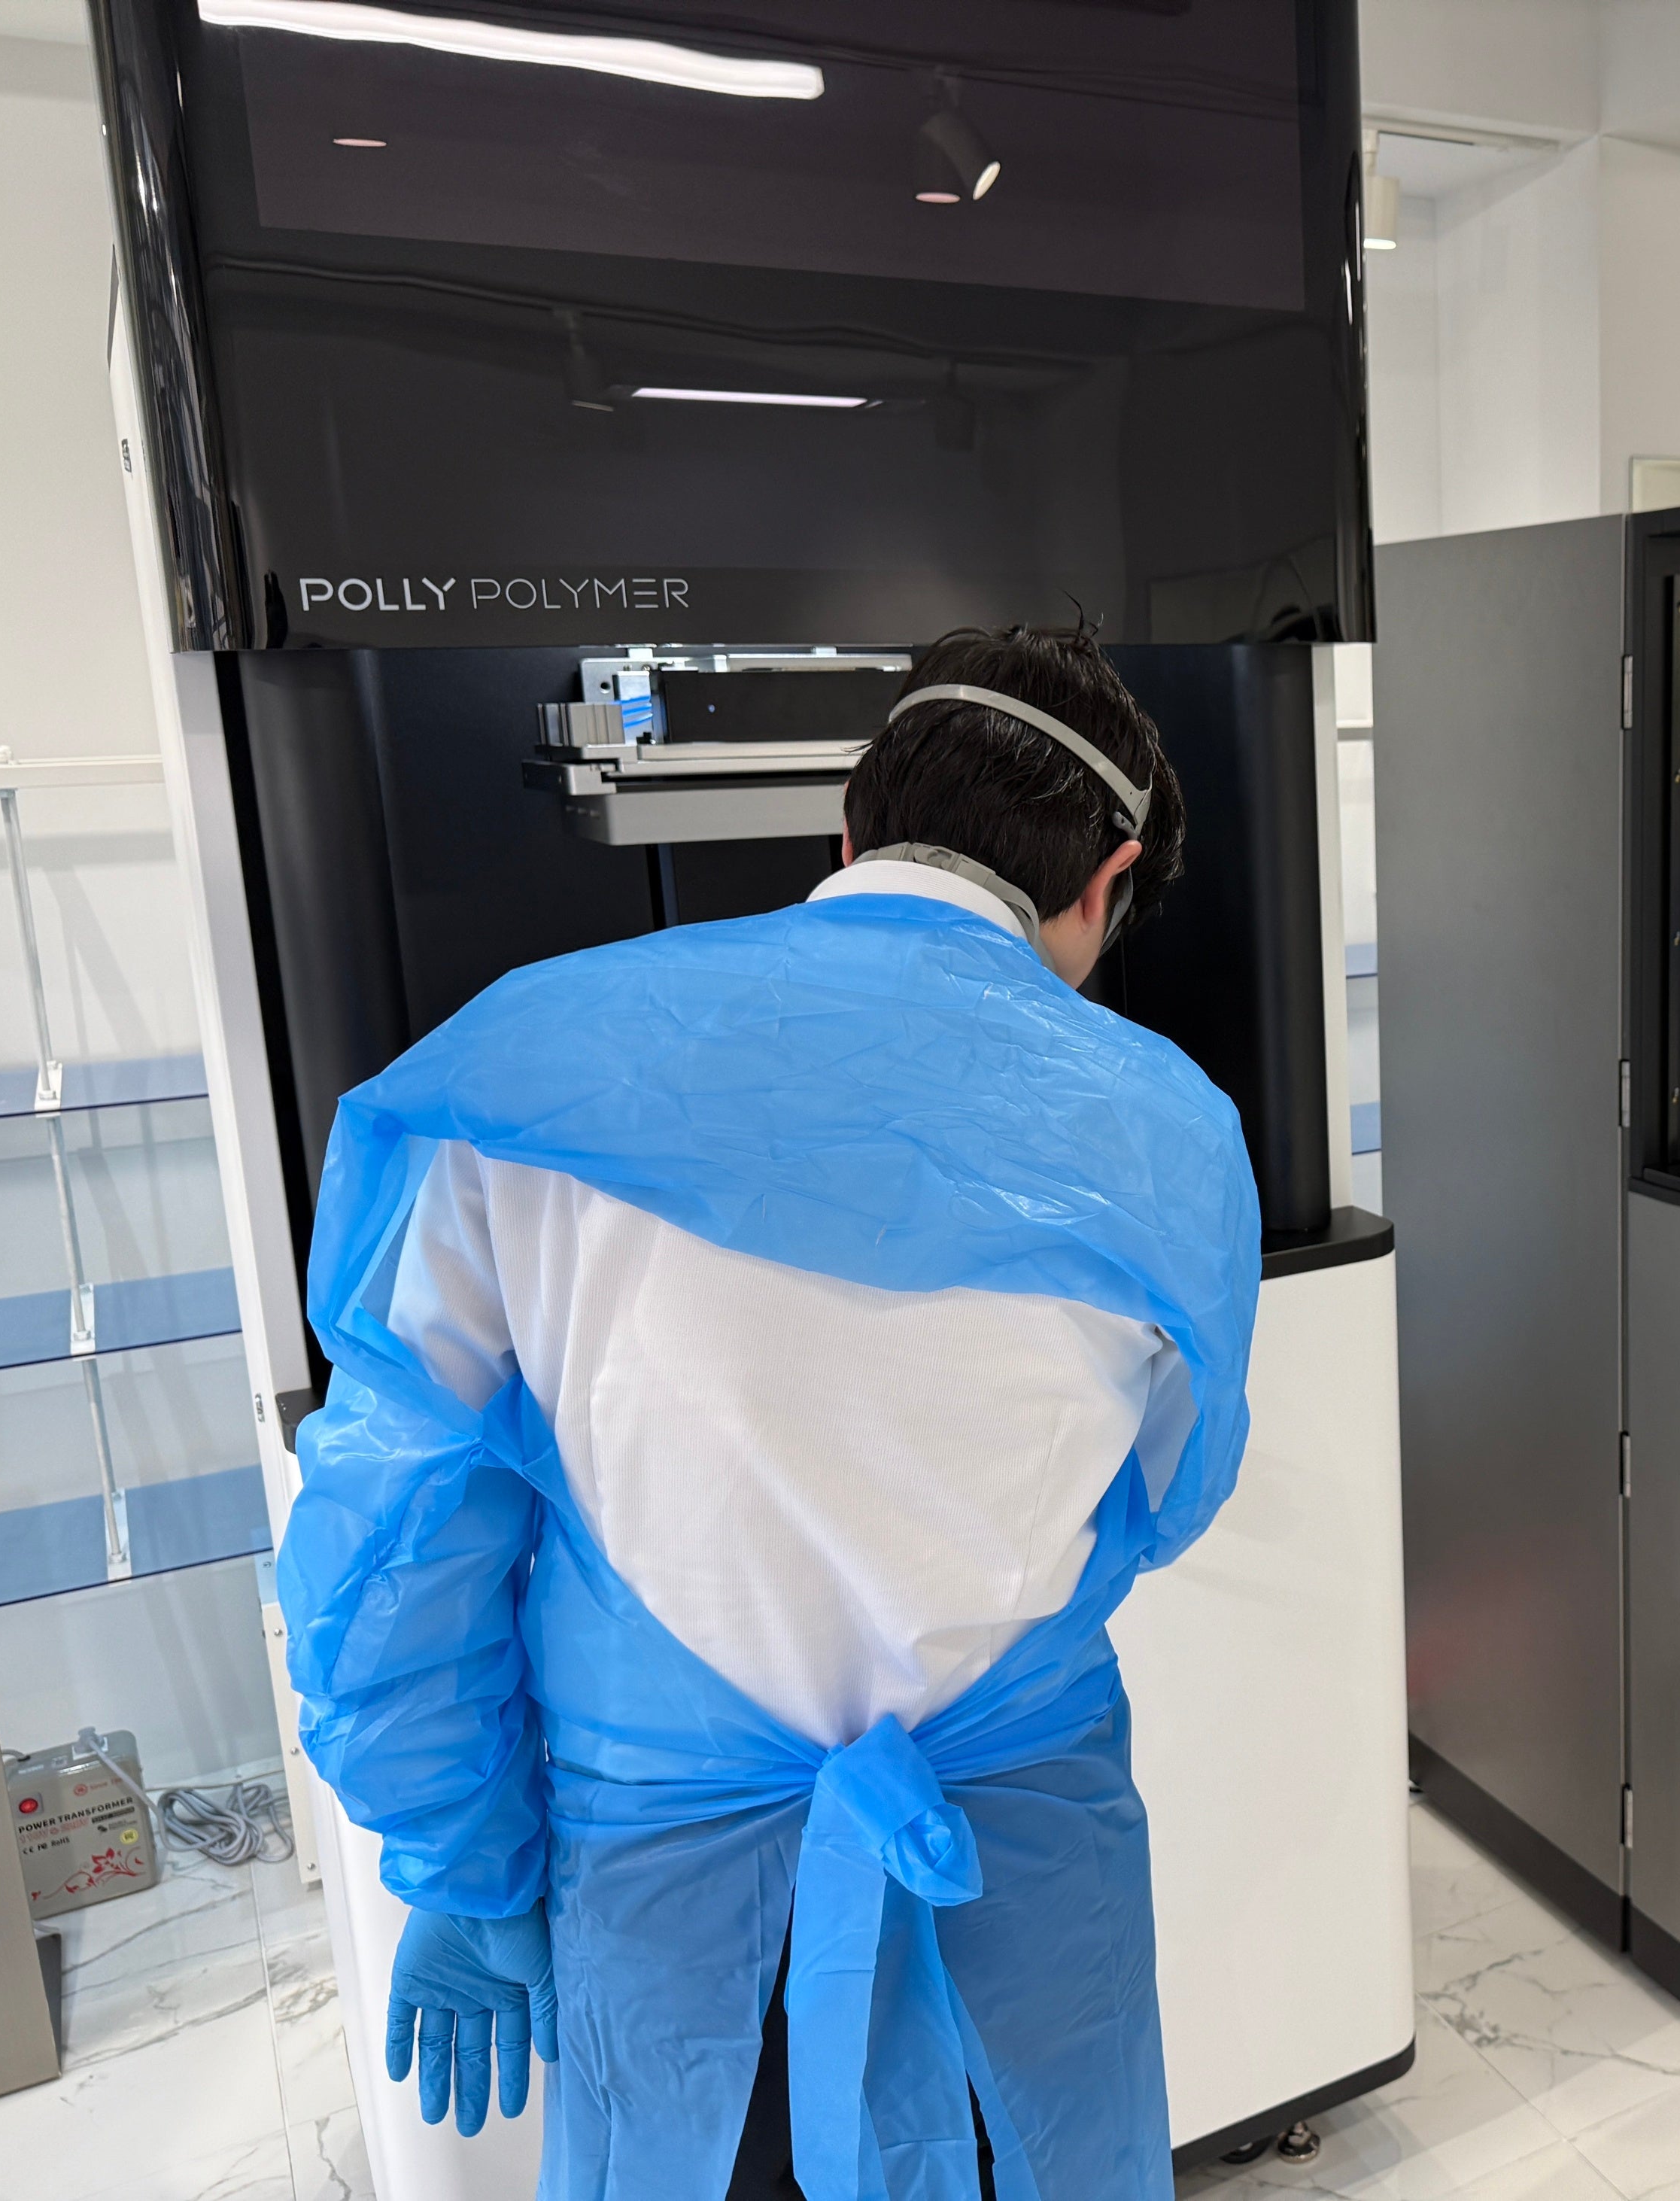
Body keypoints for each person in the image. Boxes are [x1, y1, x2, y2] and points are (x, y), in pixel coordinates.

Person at [277, 625, 1262, 2199]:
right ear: (1109, 879)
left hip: (668, 1923)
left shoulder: (525, 1074)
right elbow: (1164, 1489)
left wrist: (461, 1862)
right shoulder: (1168, 1134)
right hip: (1016, 1894)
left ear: (851, 831)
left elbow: (394, 1531)